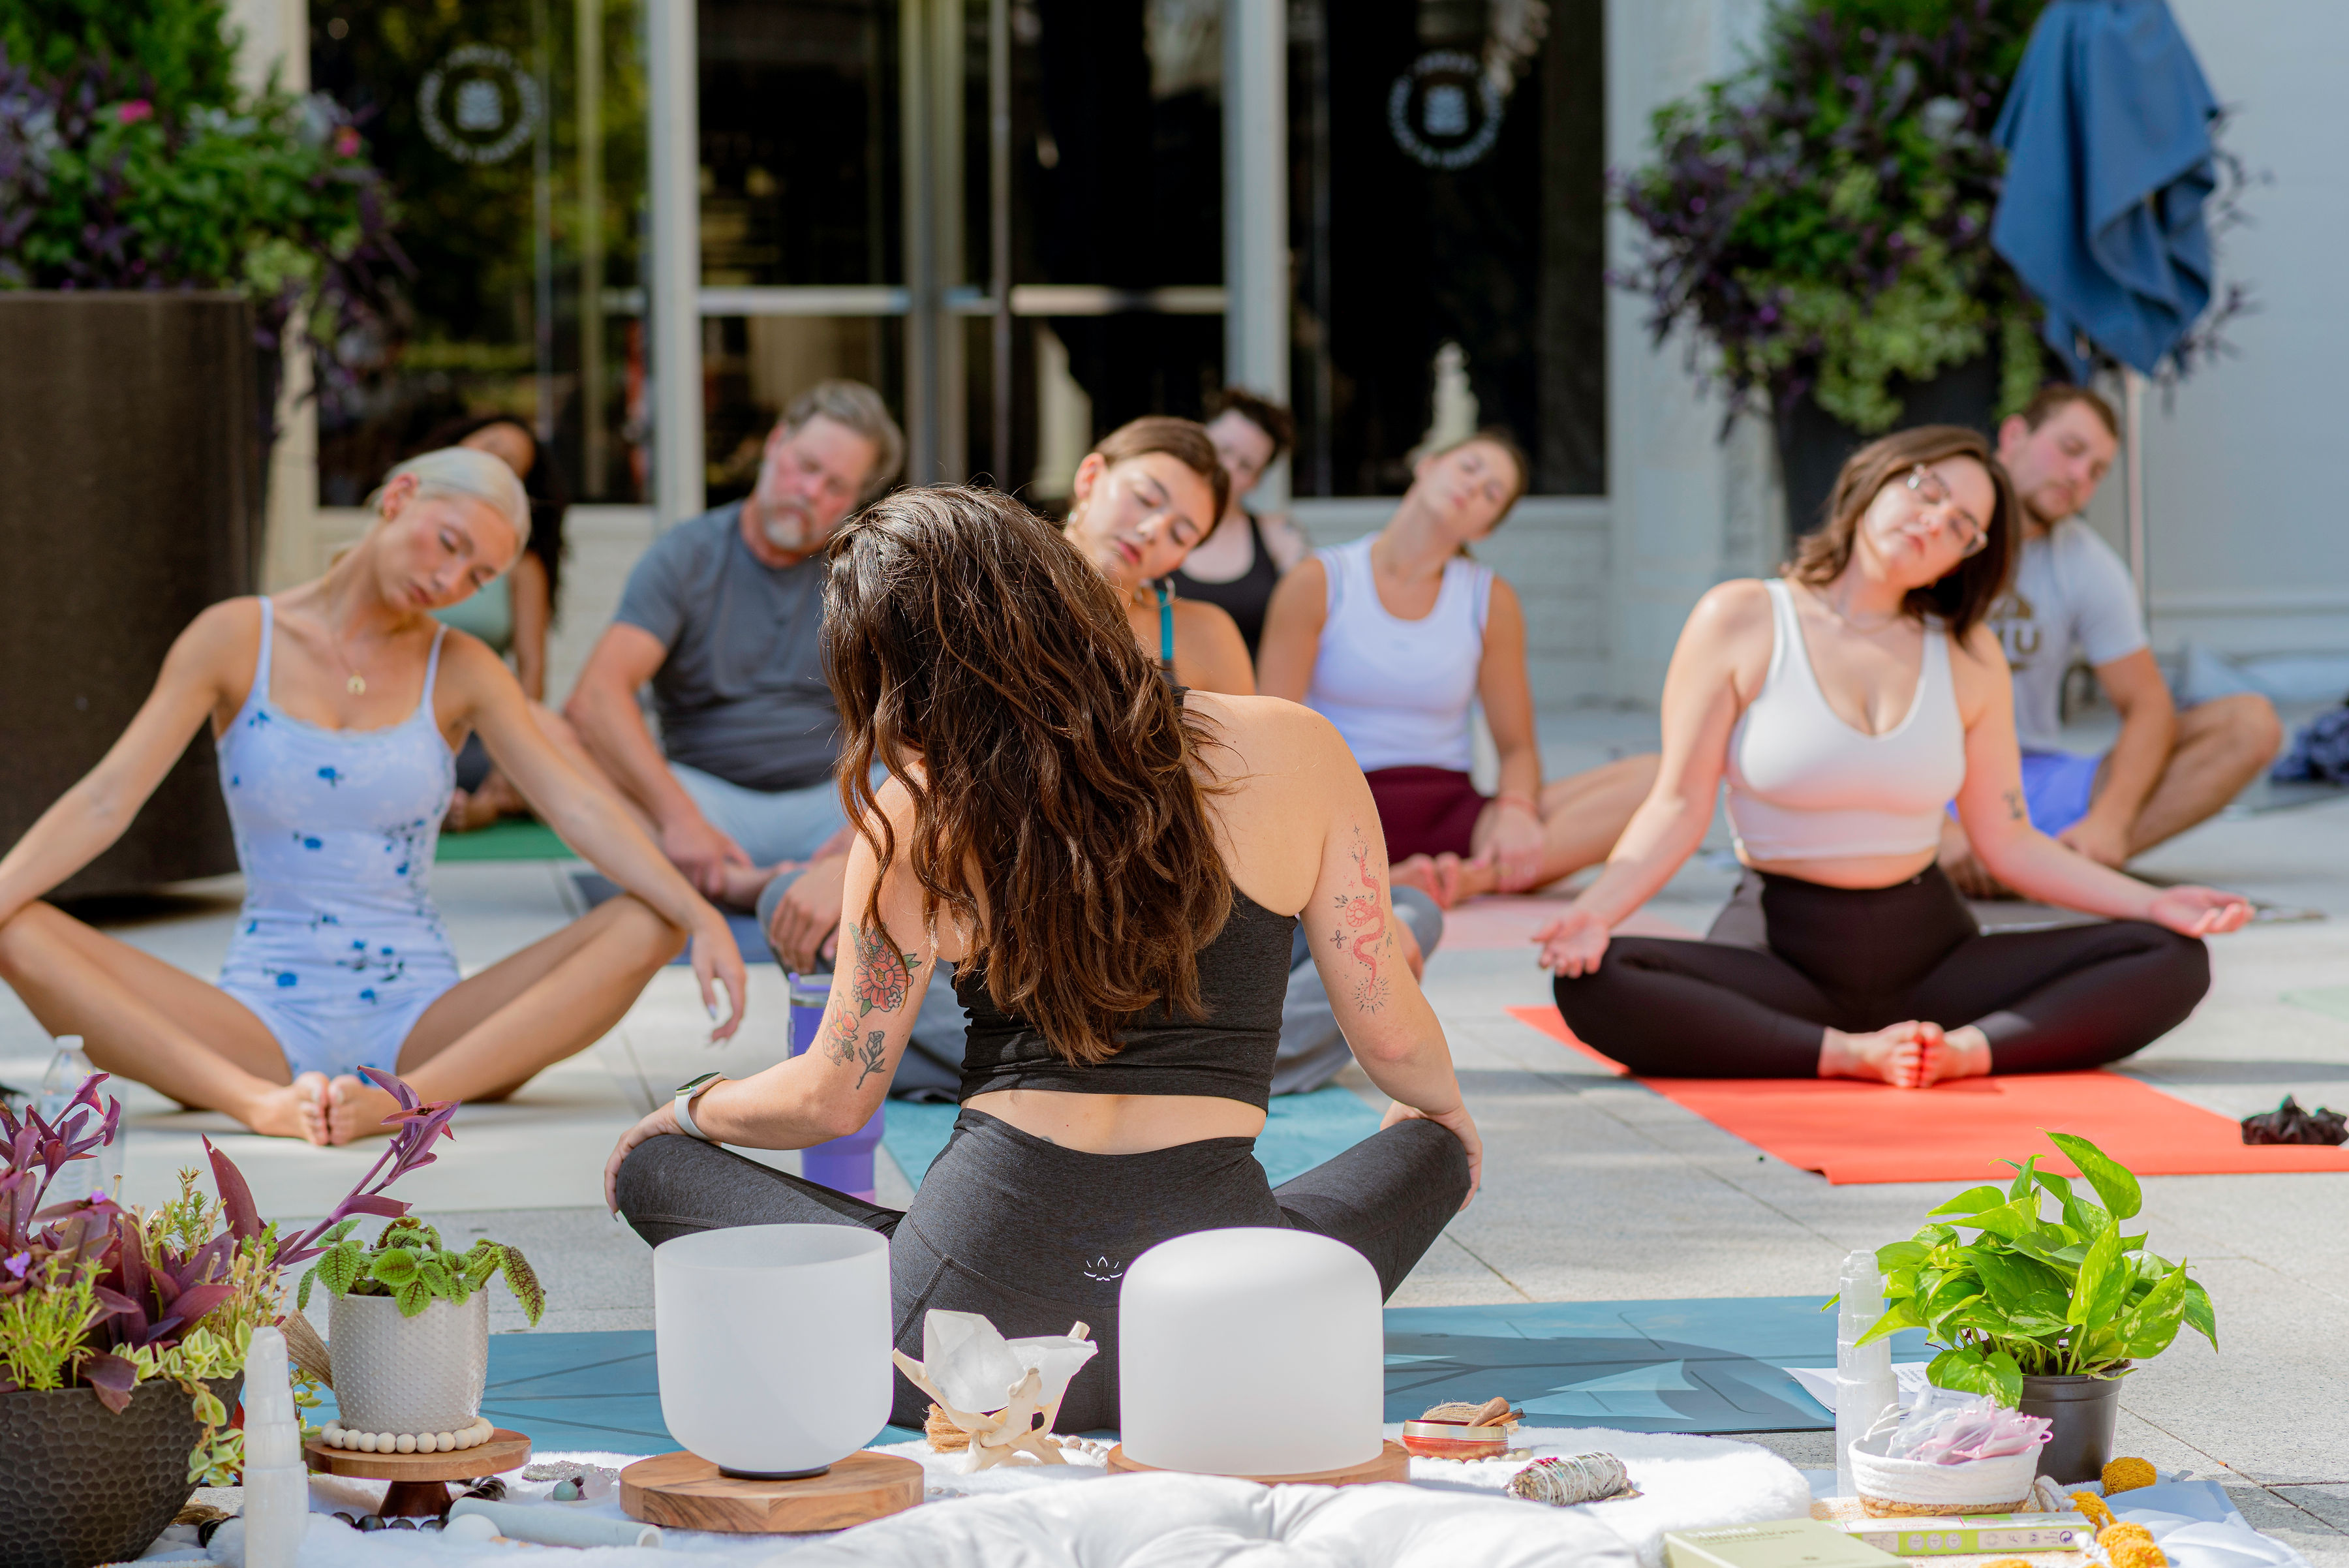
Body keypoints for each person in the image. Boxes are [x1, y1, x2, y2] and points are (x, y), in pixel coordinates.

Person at [607, 486, 1477, 1431]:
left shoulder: (913, 813)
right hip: (1221, 1333)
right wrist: (1443, 1124)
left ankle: (925, 1262)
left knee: (652, 1168)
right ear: (1064, 586)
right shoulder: (1293, 745)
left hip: (957, 1351)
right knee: (1434, 1148)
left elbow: (832, 1095)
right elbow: (1393, 1042)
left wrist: (688, 1107)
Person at [0, 450, 748, 1144]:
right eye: (450, 544)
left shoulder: (463, 666)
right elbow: (106, 801)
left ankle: (405, 1100)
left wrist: (698, 912)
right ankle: (255, 1105)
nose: (451, 583)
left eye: (477, 577)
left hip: (423, 1024)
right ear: (399, 498)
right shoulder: (234, 637)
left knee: (647, 920)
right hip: (258, 1019)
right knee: (16, 924)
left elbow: (577, 806)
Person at [1539, 426, 2250, 1088]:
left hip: (1932, 957)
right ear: (1878, 477)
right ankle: (1843, 1055)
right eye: (1928, 491)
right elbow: (1678, 804)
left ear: (1965, 559)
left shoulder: (1970, 656)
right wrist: (1595, 911)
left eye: (1963, 528)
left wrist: (2157, 901)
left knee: (2172, 958)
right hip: (1777, 954)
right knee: (1597, 979)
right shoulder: (1743, 618)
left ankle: (1965, 1052)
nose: (1935, 522)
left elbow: (2009, 843)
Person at [564, 381, 905, 949]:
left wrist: (864, 829)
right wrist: (680, 819)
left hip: (837, 804)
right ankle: (752, 883)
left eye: (835, 486)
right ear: (775, 445)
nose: (810, 492)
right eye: (805, 466)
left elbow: (919, 719)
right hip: (706, 805)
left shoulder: (869, 573)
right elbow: (597, 696)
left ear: (854, 501)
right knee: (550, 733)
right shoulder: (687, 555)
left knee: (953, 757)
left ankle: (807, 875)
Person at [1257, 429, 1657, 908]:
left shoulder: (1489, 599)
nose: (1474, 486)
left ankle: (1468, 878)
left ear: (1485, 529)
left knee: (1657, 779)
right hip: (1341, 812)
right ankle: (1386, 876)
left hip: (1455, 816)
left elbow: (1517, 748)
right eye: (1469, 467)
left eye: (1492, 492)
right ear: (1426, 466)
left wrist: (1515, 809)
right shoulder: (1319, 581)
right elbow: (1270, 733)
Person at [1941, 384, 2282, 895]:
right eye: (2071, 450)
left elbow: (2148, 704)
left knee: (2251, 724)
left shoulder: (2086, 564)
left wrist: (2112, 820)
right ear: (2014, 436)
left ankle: (2060, 866)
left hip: (2032, 779)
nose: (2079, 476)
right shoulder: (1932, 530)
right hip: (1926, 778)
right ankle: (2024, 869)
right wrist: (1939, 828)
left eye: (2097, 471)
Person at [418, 414, 581, 832]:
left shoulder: (520, 566)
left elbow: (532, 669)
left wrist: (511, 760)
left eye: (509, 464)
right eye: (490, 447)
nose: (494, 464)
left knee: (562, 767)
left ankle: (481, 805)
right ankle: (451, 804)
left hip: (474, 734)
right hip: (397, 721)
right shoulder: (405, 531)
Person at [1060, 416, 1255, 695]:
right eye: (1145, 498)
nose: (1152, 531)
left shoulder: (1207, 637)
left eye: (1180, 536)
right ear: (1090, 477)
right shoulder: (1001, 583)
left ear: (1180, 559)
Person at [1169, 388, 1312, 656]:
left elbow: (1311, 622)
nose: (1228, 467)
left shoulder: (1279, 537)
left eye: (1245, 466)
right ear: (1200, 435)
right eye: (1223, 449)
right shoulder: (1150, 522)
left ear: (1257, 481)